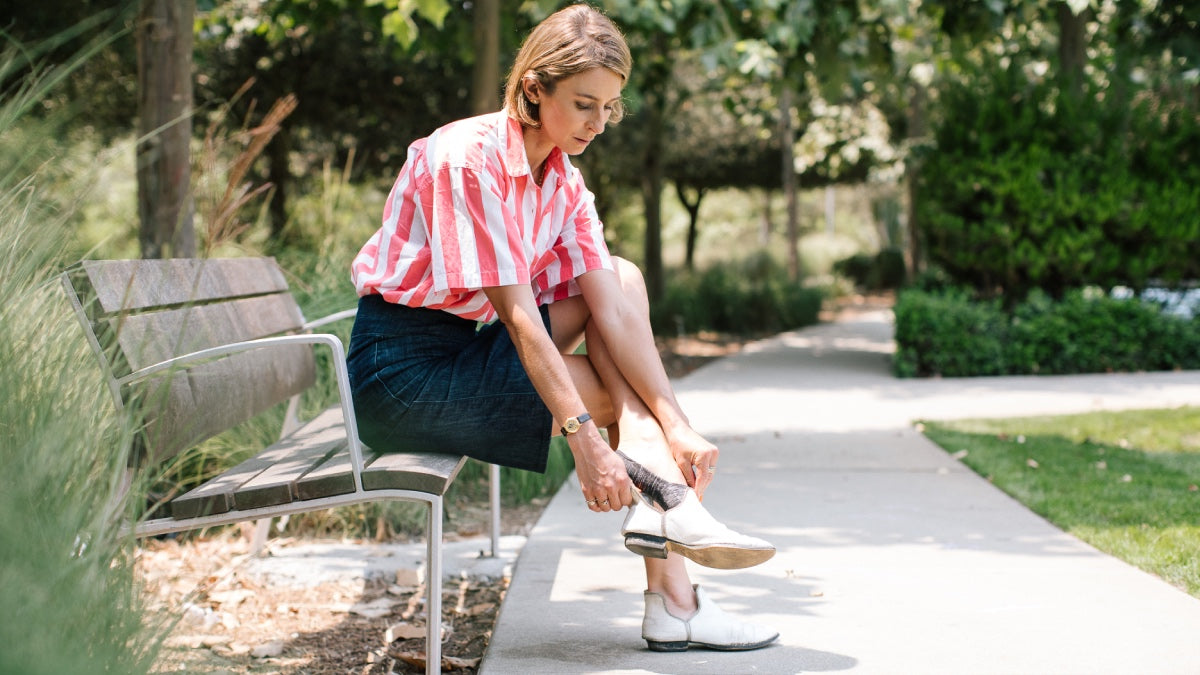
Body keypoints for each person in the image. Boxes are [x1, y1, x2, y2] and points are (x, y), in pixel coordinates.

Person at [347, 3, 777, 653]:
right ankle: (675, 587)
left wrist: (676, 422)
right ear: (533, 88)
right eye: (583, 103)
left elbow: (616, 306)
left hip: (467, 351)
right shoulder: (467, 158)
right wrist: (583, 439)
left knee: (622, 277)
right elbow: (521, 321)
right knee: (602, 399)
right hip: (402, 377)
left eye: (608, 108)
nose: (597, 123)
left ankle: (665, 516)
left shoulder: (563, 182)